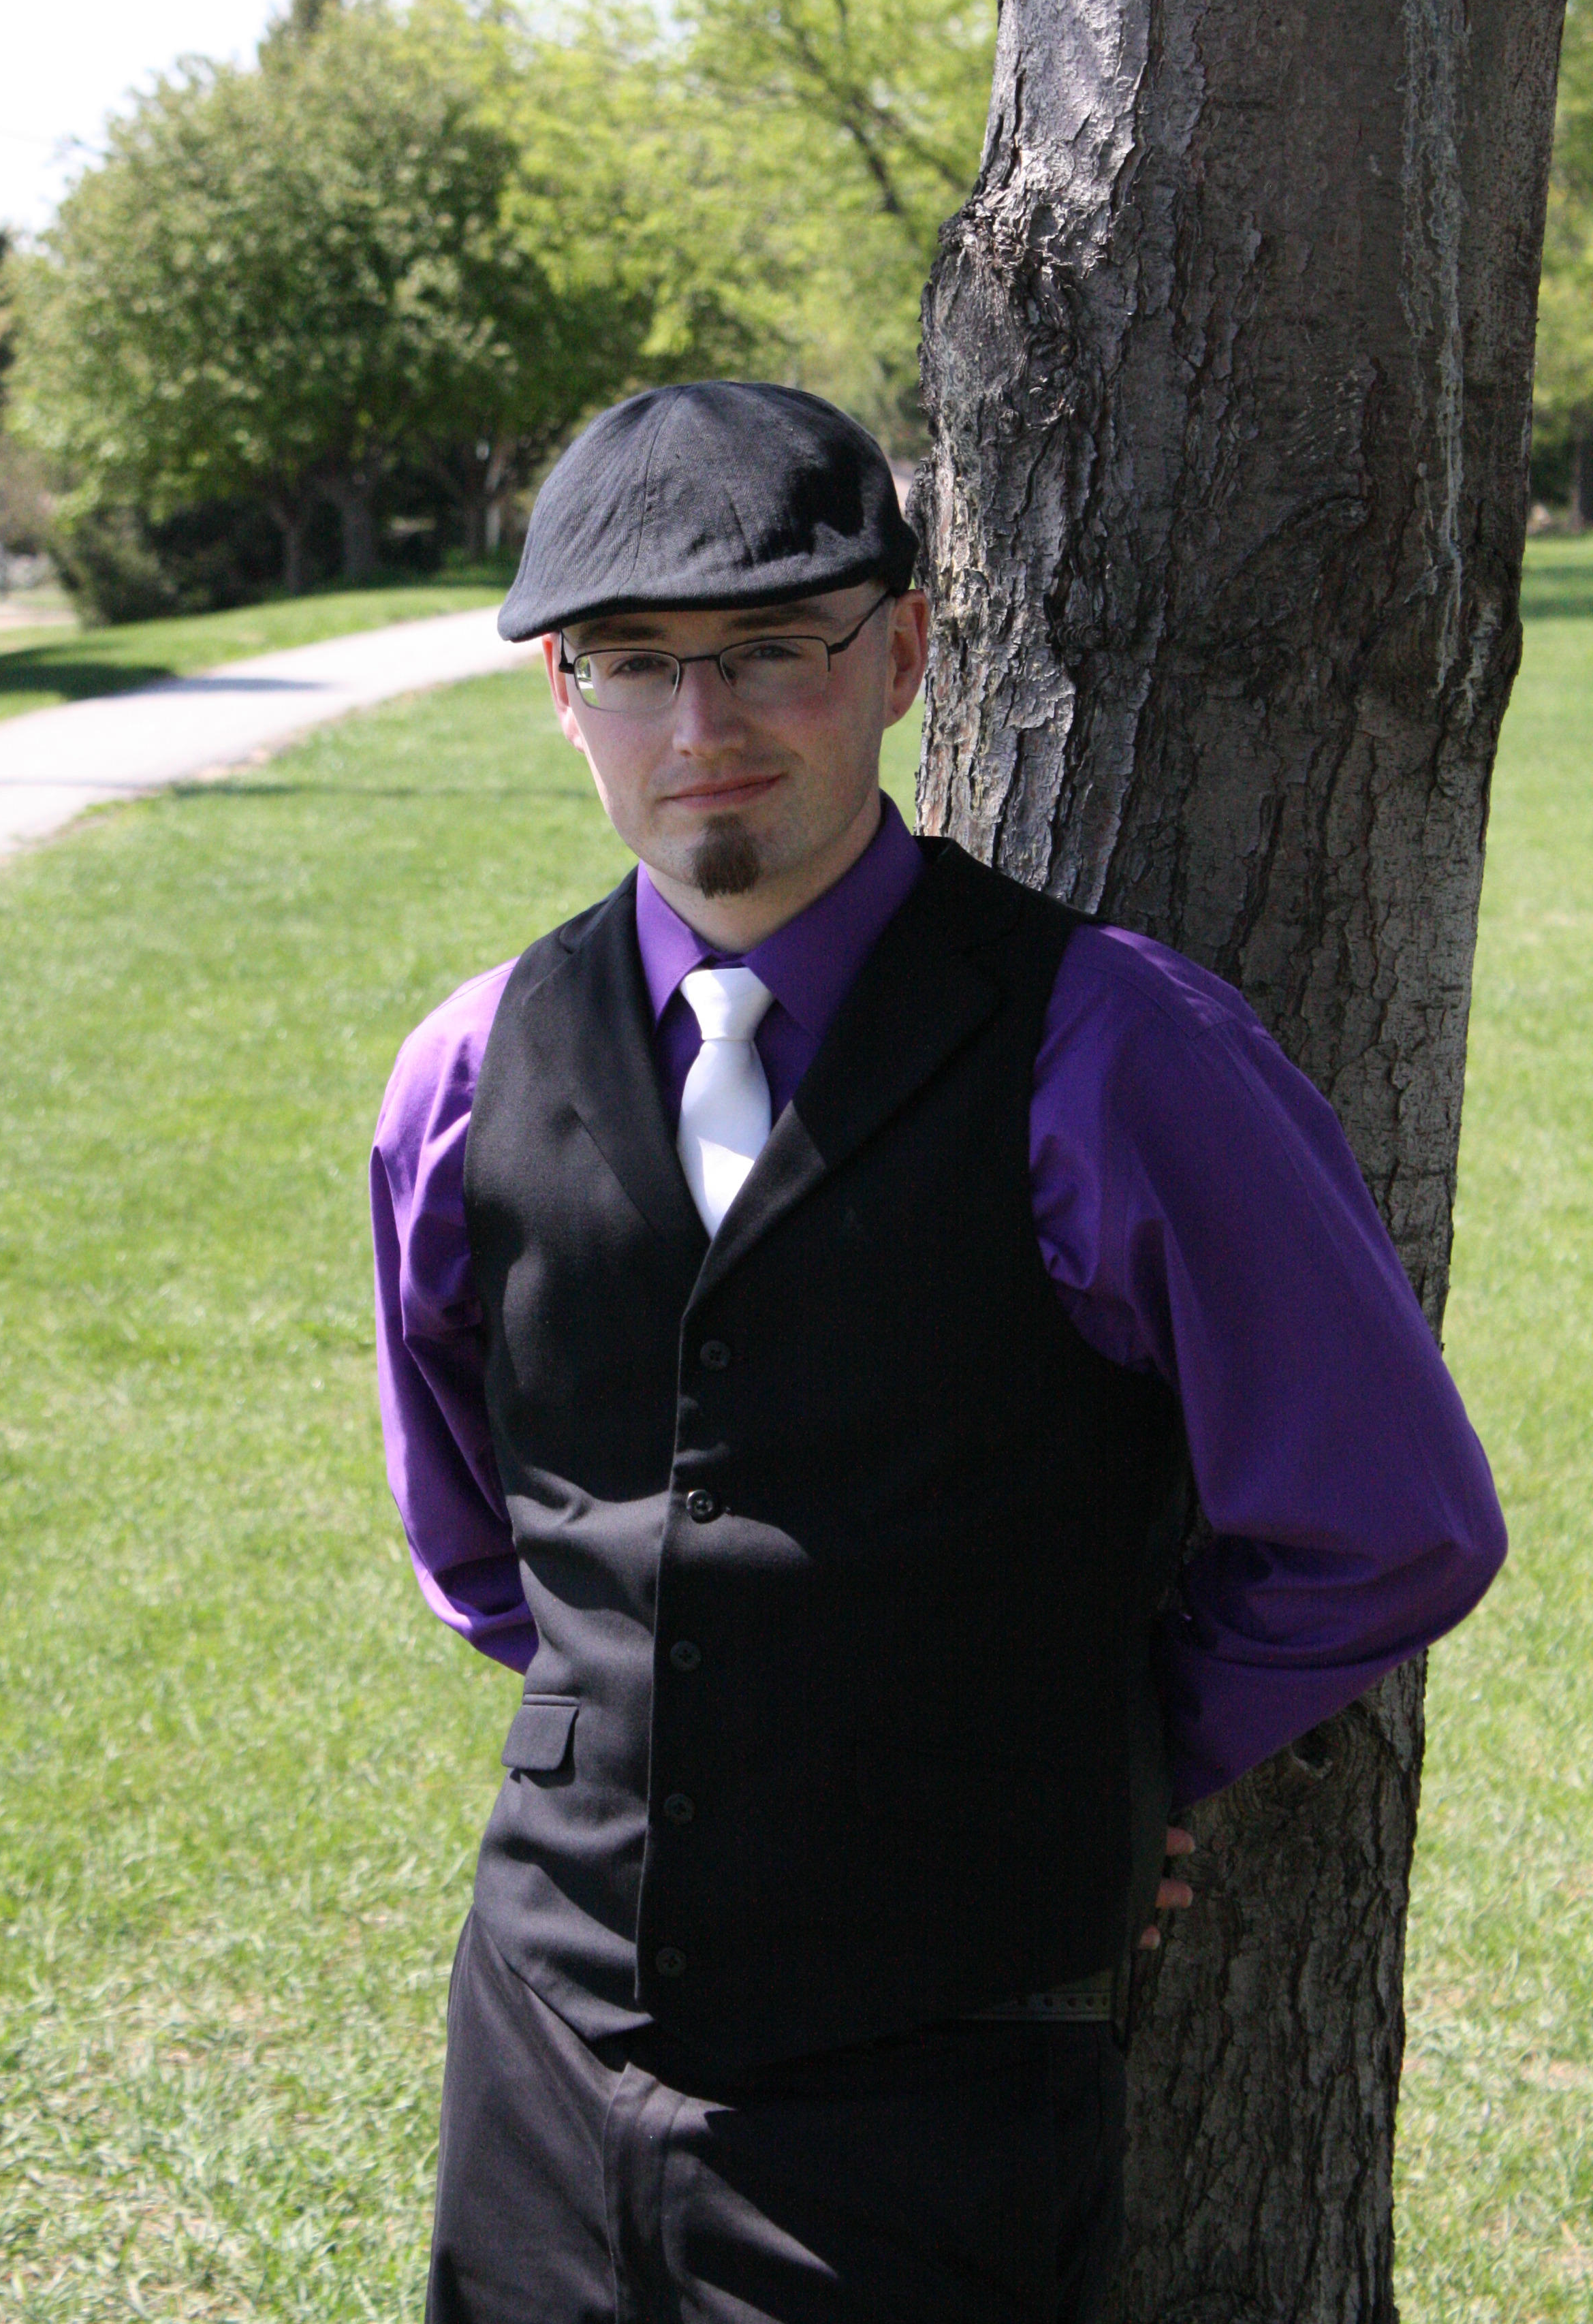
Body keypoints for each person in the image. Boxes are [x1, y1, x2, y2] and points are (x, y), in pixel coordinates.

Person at [369, 381, 1505, 2324]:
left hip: (927, 2096)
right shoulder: (469, 1071)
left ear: (900, 654)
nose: (703, 729)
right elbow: (483, 1540)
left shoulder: (1119, 1054)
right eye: (635, 665)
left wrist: (1110, 1759)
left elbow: (1387, 1519)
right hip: (542, 2046)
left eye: (773, 650)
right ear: (565, 694)